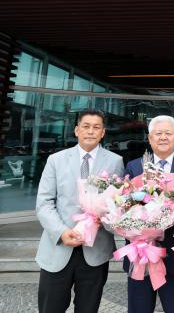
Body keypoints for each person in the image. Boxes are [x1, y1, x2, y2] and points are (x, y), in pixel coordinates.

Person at [35, 109, 124, 313]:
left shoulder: (115, 161)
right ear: (76, 130)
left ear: (103, 132)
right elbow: (44, 202)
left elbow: (118, 204)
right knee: (50, 308)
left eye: (96, 127)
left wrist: (106, 219)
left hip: (95, 249)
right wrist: (61, 232)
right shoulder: (56, 160)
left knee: (88, 308)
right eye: (86, 126)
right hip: (59, 247)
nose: (91, 131)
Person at [124, 115, 174, 313]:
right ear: (150, 138)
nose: (163, 137)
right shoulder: (134, 166)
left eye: (168, 133)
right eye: (158, 133)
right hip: (140, 254)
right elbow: (123, 207)